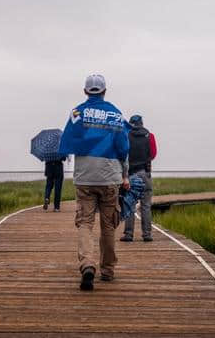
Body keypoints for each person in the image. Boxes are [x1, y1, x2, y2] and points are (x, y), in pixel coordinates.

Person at [59, 74, 130, 291]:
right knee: (108, 225)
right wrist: (124, 174)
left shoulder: (77, 113)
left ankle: (87, 263)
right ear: (105, 91)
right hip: (110, 177)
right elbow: (123, 147)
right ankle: (107, 270)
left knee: (85, 223)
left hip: (85, 178)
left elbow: (67, 141)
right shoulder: (115, 114)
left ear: (85, 91)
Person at [120, 114, 157, 242]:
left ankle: (129, 234)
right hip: (145, 173)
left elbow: (122, 154)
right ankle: (147, 234)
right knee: (146, 206)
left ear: (130, 124)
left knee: (129, 204)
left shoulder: (126, 136)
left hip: (130, 175)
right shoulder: (149, 136)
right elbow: (153, 154)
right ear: (142, 123)